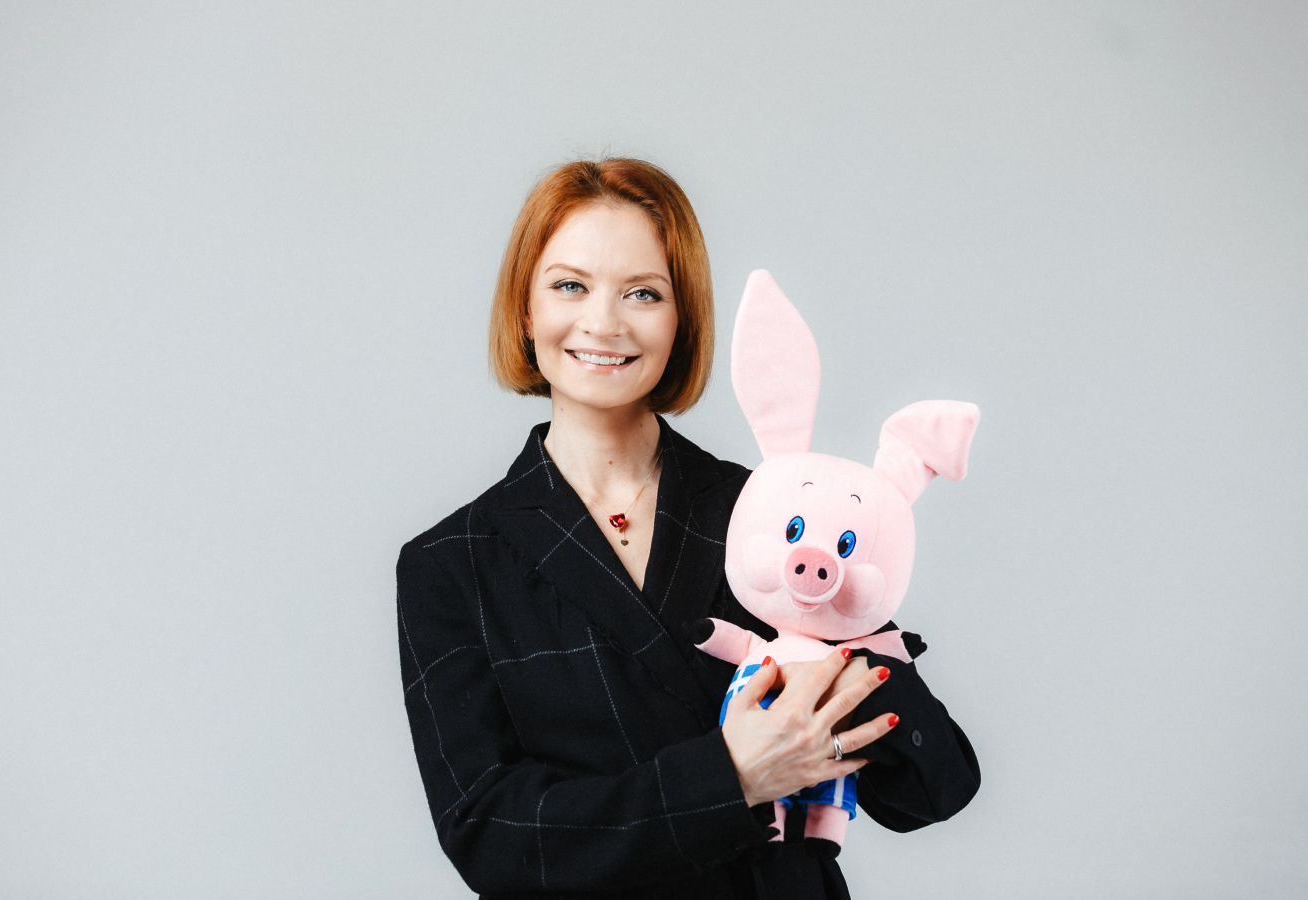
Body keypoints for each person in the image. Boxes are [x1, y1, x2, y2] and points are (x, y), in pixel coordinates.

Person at [396, 158, 980, 899]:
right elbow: (491, 837)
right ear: (524, 309)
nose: (604, 322)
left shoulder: (770, 510)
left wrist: (851, 669)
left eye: (643, 293)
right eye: (569, 285)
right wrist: (731, 778)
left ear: (683, 321)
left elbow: (935, 789)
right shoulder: (450, 564)